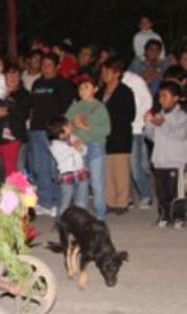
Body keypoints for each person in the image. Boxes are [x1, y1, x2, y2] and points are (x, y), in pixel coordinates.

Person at [29, 53, 76, 216]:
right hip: (36, 129)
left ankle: (57, 201)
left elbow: (66, 110)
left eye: (49, 64)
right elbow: (33, 107)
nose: (45, 68)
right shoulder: (37, 83)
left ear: (57, 66)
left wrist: (61, 131)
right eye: (43, 64)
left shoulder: (63, 84)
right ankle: (45, 201)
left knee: (55, 166)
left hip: (53, 131)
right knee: (40, 167)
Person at [66, 76, 111, 219]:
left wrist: (83, 127)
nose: (83, 90)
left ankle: (99, 214)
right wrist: (72, 133)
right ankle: (82, 214)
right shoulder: (75, 107)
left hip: (95, 146)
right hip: (79, 146)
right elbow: (66, 126)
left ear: (95, 89)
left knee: (96, 182)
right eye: (80, 88)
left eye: (86, 87)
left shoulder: (99, 107)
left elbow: (105, 130)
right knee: (81, 182)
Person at [145, 81, 187, 228]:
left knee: (176, 192)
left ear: (175, 98)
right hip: (159, 160)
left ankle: (179, 217)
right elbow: (151, 136)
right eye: (160, 96)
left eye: (165, 96)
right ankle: (164, 215)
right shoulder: (159, 115)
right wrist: (149, 124)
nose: (161, 99)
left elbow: (180, 136)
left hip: (176, 161)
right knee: (162, 193)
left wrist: (163, 125)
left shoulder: (182, 116)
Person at [98, 58, 136, 214]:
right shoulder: (100, 92)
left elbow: (130, 115)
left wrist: (107, 117)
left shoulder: (125, 91)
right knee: (106, 170)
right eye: (103, 71)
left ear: (117, 74)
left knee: (120, 170)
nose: (103, 74)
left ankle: (122, 202)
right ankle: (110, 201)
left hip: (120, 136)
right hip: (103, 137)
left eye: (107, 71)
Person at [0, 64, 31, 185]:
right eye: (9, 74)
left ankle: (20, 201)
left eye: (16, 74)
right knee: (0, 172)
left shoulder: (24, 94)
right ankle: (3, 200)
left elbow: (24, 113)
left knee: (17, 170)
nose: (12, 77)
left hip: (17, 138)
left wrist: (7, 110)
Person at [122, 70, 154, 209]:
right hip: (118, 131)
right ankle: (126, 197)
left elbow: (148, 100)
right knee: (122, 167)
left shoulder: (135, 79)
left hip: (135, 128)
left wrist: (139, 119)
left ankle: (146, 194)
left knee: (135, 167)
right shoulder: (109, 81)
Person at [47, 116, 90, 218]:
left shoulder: (74, 138)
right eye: (67, 125)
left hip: (80, 172)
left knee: (82, 202)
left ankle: (81, 223)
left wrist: (81, 148)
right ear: (60, 129)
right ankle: (61, 223)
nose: (70, 126)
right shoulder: (54, 145)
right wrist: (73, 147)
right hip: (67, 175)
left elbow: (84, 151)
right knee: (65, 201)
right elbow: (62, 155)